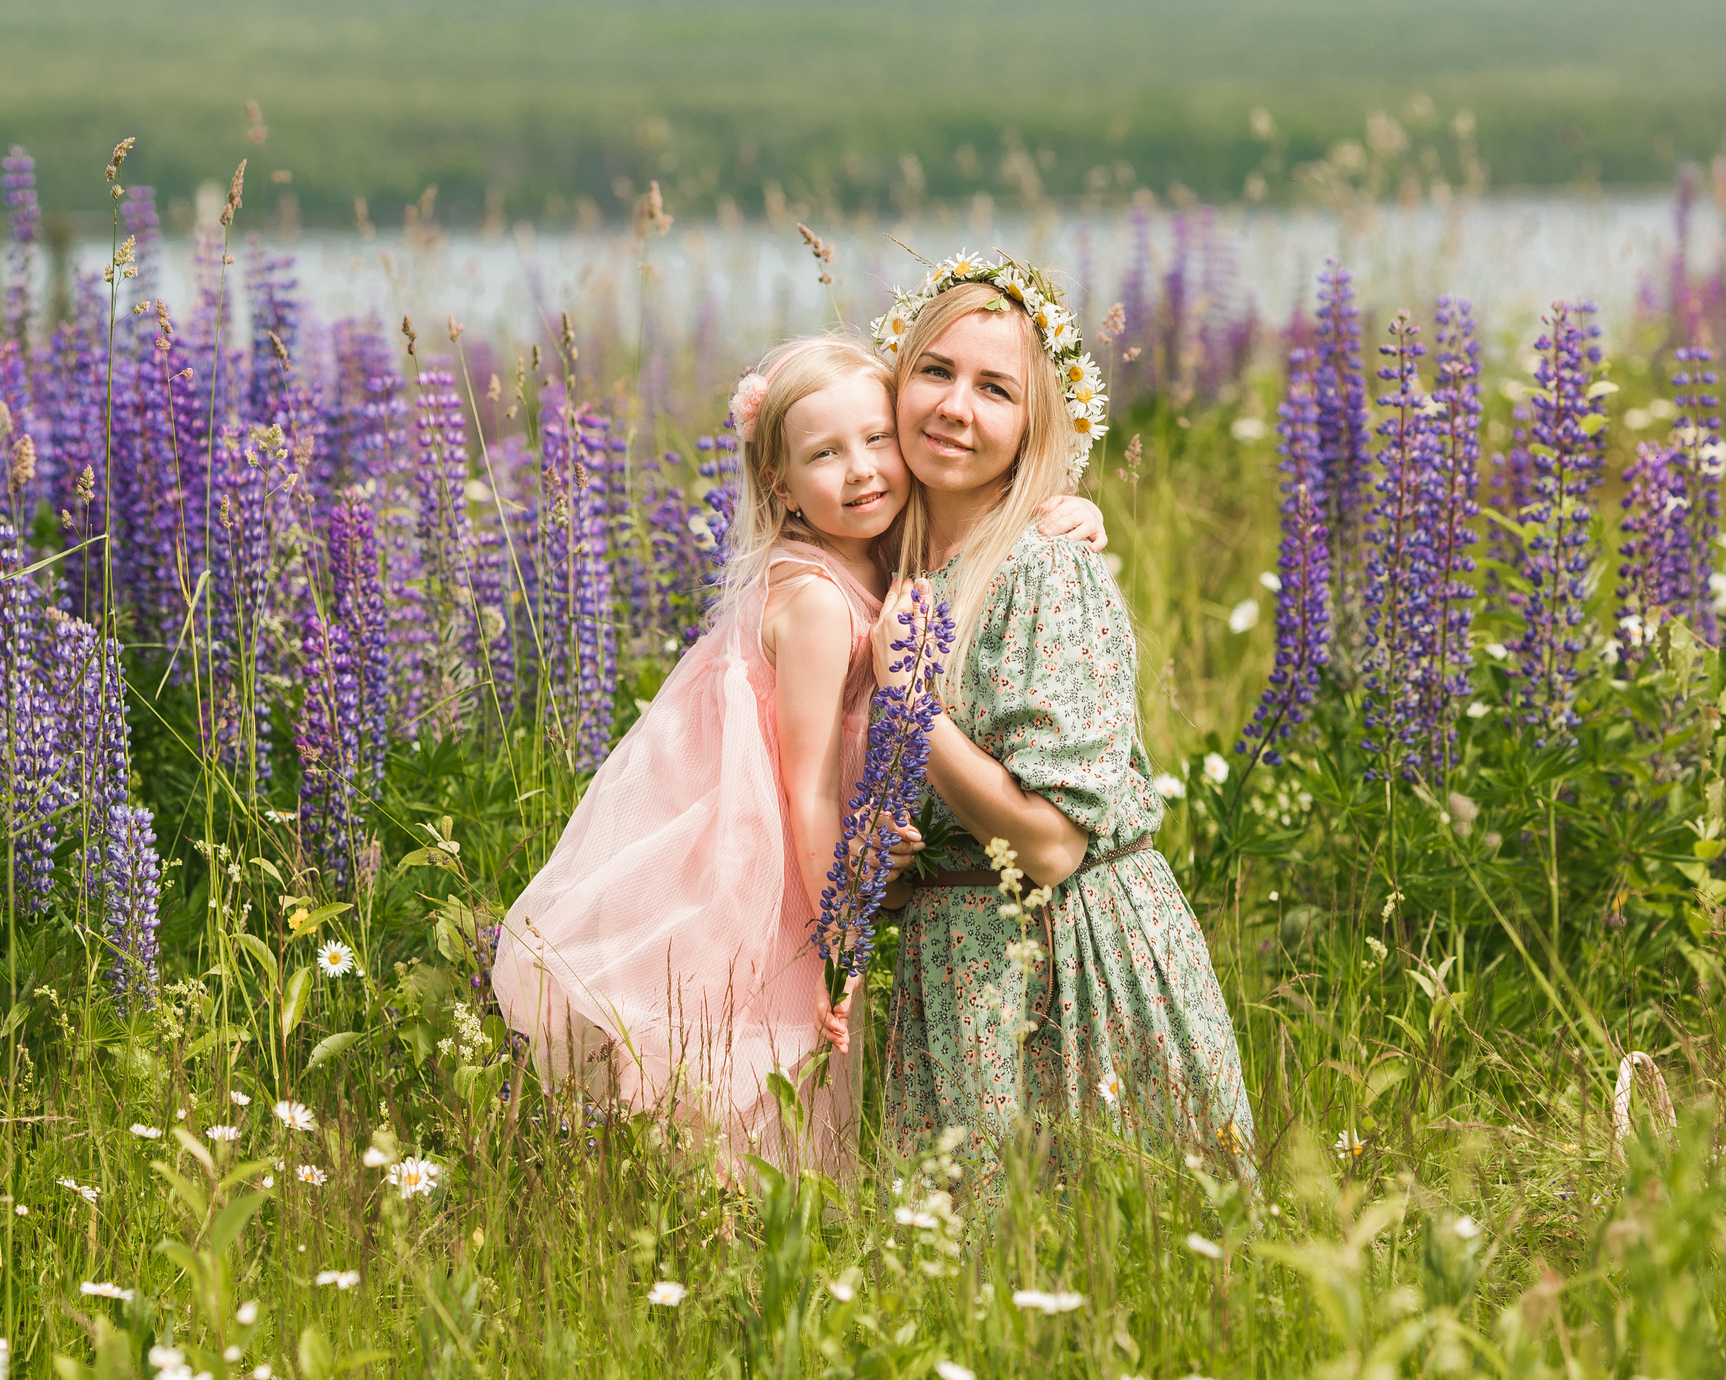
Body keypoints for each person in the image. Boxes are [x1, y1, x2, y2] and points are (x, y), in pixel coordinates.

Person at [488, 334, 1105, 1176]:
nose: (861, 471)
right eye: (824, 454)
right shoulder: (816, 600)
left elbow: (971, 538)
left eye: (877, 440)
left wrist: (1063, 510)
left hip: (796, 871)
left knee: (773, 1089)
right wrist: (842, 940)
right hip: (769, 876)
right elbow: (812, 788)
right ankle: (732, 1243)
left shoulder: (876, 555)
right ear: (778, 482)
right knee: (759, 1092)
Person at [871, 259, 1255, 1180]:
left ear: (1035, 424)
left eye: (995, 388)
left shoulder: (1046, 567)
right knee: (964, 1302)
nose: (955, 406)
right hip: (955, 970)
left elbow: (1049, 847)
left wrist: (911, 710)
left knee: (1121, 1271)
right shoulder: (883, 567)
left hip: (1075, 967)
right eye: (935, 370)